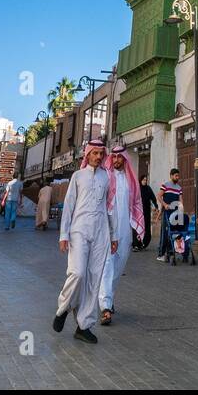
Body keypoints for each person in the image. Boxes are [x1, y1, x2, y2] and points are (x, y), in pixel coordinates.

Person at [53, 139, 119, 344]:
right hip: (79, 230)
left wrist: (113, 235)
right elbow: (70, 206)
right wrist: (64, 235)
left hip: (100, 233)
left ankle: (84, 326)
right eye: (95, 153)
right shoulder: (78, 176)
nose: (98, 157)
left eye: (101, 154)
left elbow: (110, 209)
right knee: (78, 273)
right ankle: (63, 308)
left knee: (94, 278)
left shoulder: (107, 177)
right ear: (87, 155)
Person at [99, 146, 144, 324]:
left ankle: (109, 298)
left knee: (119, 265)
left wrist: (137, 226)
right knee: (107, 265)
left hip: (125, 230)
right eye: (114, 157)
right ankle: (105, 306)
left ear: (125, 159)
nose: (116, 160)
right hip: (108, 229)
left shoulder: (130, 180)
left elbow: (136, 203)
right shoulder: (106, 177)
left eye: (120, 157)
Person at [156, 168, 183, 262]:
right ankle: (161, 254)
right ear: (171, 176)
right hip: (167, 213)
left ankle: (171, 253)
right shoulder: (165, 185)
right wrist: (164, 205)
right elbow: (159, 196)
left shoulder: (179, 188)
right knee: (165, 233)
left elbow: (180, 200)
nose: (177, 177)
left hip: (175, 214)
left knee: (173, 233)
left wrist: (181, 209)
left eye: (178, 176)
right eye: (176, 175)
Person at [136, 175, 157, 250]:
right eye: (143, 180)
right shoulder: (138, 189)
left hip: (147, 211)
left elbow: (153, 197)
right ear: (140, 180)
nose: (145, 181)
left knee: (147, 227)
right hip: (139, 212)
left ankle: (145, 243)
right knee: (139, 227)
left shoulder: (148, 188)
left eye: (146, 180)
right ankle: (137, 244)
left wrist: (156, 206)